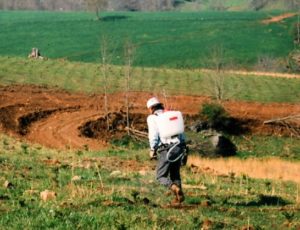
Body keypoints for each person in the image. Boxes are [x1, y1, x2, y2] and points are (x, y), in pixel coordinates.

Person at [146, 97, 186, 204]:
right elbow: (181, 132)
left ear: (151, 108)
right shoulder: (171, 115)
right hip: (179, 146)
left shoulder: (153, 118)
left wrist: (152, 149)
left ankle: (174, 188)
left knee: (160, 176)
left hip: (166, 148)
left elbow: (153, 135)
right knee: (175, 174)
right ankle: (178, 199)